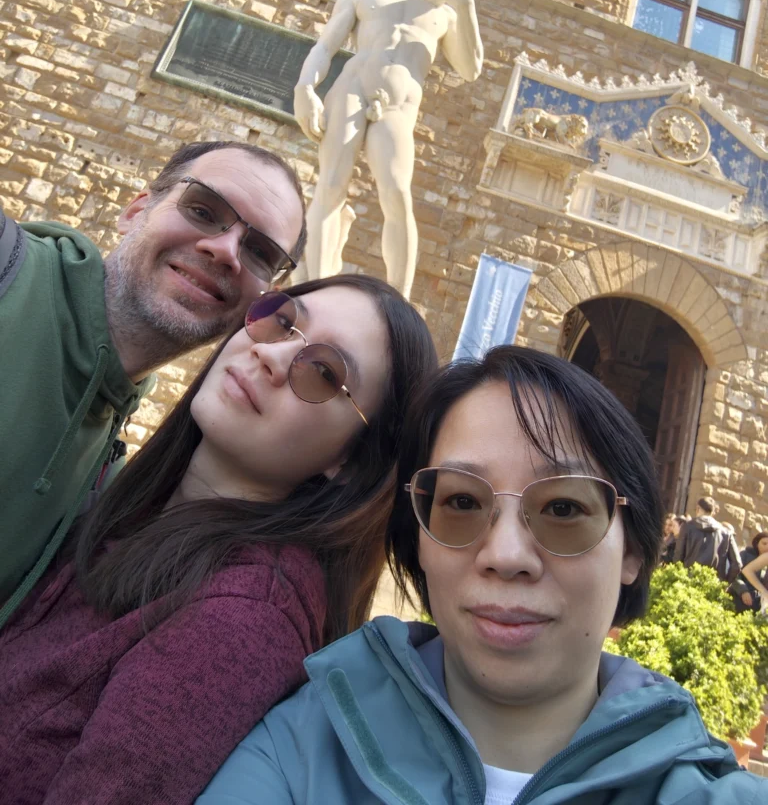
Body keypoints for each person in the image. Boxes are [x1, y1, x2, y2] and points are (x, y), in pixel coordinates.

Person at [197, 346, 761, 804]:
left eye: (563, 508)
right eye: (462, 502)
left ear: (633, 550)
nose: (506, 555)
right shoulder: (297, 748)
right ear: (418, 538)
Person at [0, 274, 437, 803]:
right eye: (282, 321)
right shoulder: (123, 507)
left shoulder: (241, 620)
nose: (271, 356)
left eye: (324, 372)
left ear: (352, 462)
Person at [0, 140, 307, 629]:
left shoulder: (107, 464)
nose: (225, 250)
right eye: (203, 210)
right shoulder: (9, 270)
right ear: (135, 211)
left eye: (260, 252)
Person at [294, 0, 483, 298]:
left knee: (396, 193)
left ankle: (399, 300)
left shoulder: (442, 13)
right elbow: (325, 48)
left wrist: (465, 4)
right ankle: (313, 287)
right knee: (331, 184)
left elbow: (471, 68)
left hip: (398, 106)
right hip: (351, 88)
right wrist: (305, 88)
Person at [673, 496, 742, 584]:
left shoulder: (687, 527)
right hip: (713, 584)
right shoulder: (726, 532)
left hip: (687, 581)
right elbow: (737, 564)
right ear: (713, 511)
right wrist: (725, 583)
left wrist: (678, 578)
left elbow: (678, 556)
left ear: (698, 508)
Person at [739, 532, 768, 613]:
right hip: (740, 598)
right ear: (757, 543)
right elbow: (735, 575)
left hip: (757, 602)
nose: (767, 547)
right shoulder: (745, 555)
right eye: (764, 543)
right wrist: (743, 590)